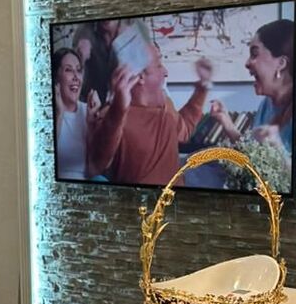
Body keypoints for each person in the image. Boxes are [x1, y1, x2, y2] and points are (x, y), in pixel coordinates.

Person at [91, 47, 212, 185]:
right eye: (159, 65)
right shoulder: (112, 115)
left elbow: (184, 131)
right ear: (140, 76)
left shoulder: (165, 104)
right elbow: (97, 164)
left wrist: (202, 89)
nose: (165, 72)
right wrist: (118, 108)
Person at [210, 19, 294, 157]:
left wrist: (277, 147)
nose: (247, 63)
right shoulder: (266, 104)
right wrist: (226, 121)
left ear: (281, 63)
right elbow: (252, 158)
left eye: (254, 54)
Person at [52, 48, 100, 180]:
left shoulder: (87, 110)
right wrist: (59, 114)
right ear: (56, 79)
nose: (76, 77)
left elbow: (93, 170)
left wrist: (91, 124)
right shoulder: (46, 113)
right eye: (68, 70)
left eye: (78, 70)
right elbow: (45, 163)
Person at [73, 19, 121, 105]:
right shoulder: (85, 31)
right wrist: (81, 58)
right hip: (89, 101)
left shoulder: (132, 28)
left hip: (118, 101)